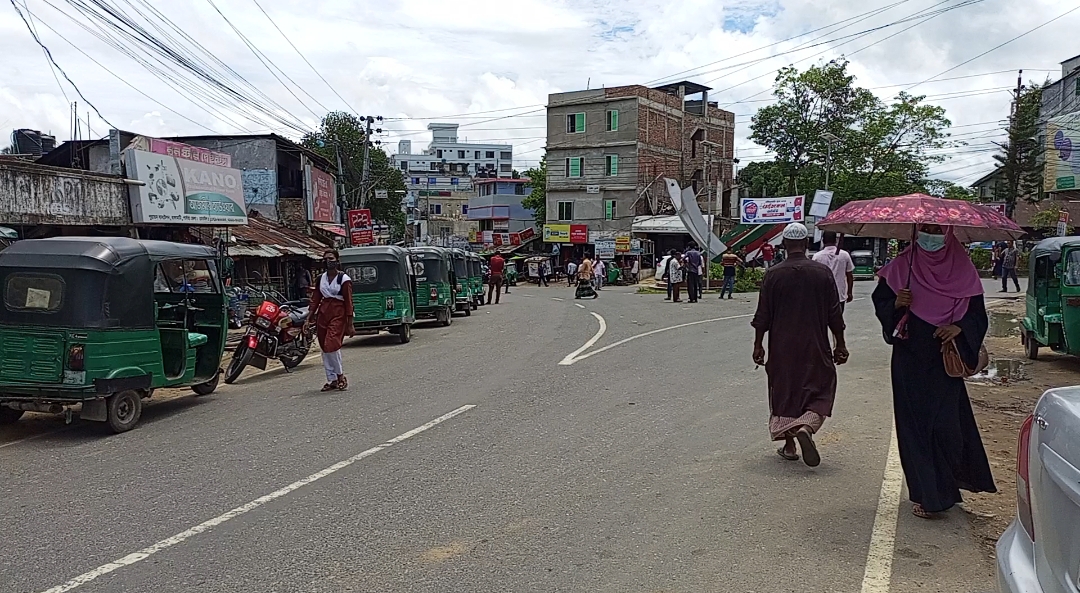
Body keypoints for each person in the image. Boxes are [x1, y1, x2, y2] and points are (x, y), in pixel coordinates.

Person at [873, 224, 996, 518]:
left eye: (937, 230)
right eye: (925, 230)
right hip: (910, 360)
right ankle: (929, 495)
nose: (931, 236)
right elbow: (882, 305)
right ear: (916, 233)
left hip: (944, 362)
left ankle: (949, 484)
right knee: (915, 427)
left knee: (948, 426)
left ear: (949, 233)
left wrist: (959, 328)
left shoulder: (963, 270)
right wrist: (896, 303)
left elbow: (977, 314)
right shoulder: (901, 266)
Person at [752, 223, 847, 467]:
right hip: (815, 344)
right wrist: (840, 344)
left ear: (783, 245)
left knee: (785, 391)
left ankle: (790, 445)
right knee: (822, 387)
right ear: (806, 244)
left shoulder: (773, 274)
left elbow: (763, 315)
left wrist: (758, 345)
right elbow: (834, 314)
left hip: (781, 346)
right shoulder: (821, 273)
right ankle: (806, 426)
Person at [307, 249, 355, 391]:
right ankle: (332, 379)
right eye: (325, 259)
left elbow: (348, 301)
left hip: (338, 313)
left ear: (337, 261)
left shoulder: (344, 280)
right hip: (323, 314)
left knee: (331, 344)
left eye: (331, 258)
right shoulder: (321, 278)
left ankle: (340, 375)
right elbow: (316, 298)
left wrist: (350, 323)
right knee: (324, 346)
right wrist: (308, 317)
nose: (328, 261)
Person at [812, 231, 855, 313]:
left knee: (822, 323)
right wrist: (849, 292)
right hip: (839, 296)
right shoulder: (844, 255)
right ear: (836, 240)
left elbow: (813, 278)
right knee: (837, 323)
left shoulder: (817, 257)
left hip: (822, 296)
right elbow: (849, 275)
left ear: (823, 240)